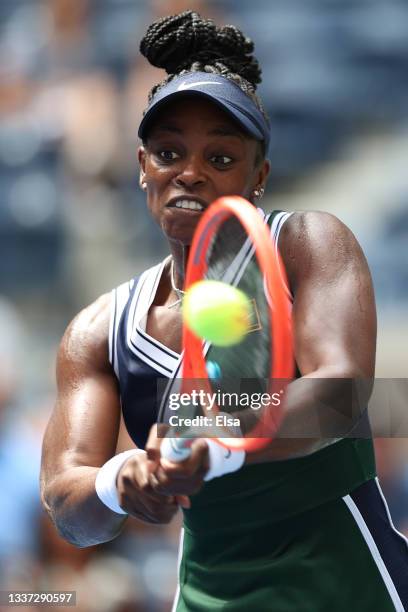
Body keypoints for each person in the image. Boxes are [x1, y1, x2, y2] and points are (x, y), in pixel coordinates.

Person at [41, 11, 408, 611]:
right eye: (168, 152)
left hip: (346, 584)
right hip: (208, 595)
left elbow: (341, 393)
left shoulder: (307, 243)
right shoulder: (96, 332)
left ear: (259, 176)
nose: (189, 172)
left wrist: (219, 443)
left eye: (220, 158)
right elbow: (68, 505)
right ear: (142, 169)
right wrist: (120, 481)